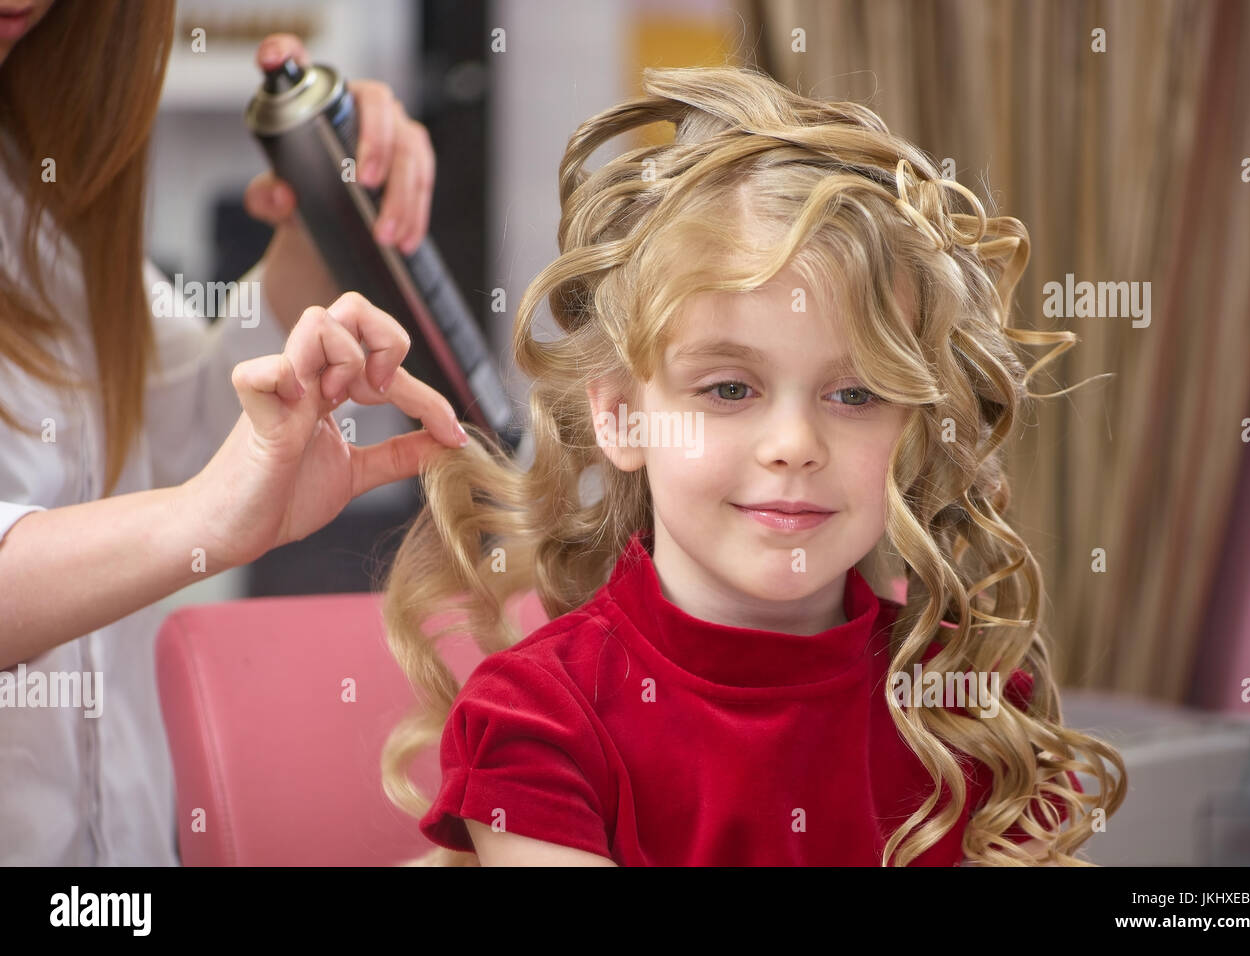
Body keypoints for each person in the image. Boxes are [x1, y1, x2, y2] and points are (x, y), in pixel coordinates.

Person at [378, 64, 1128, 866]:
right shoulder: (538, 720)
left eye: (856, 395)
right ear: (621, 416)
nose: (794, 443)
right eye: (730, 388)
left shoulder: (970, 708)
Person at [0, 1, 465, 864]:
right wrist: (201, 520)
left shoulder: (31, 184)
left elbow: (175, 430)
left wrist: (316, 226)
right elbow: (188, 503)